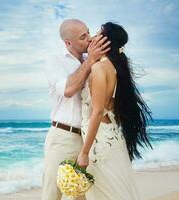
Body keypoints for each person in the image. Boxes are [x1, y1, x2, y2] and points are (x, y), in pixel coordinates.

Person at [76, 22, 153, 200]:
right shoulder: (114, 68)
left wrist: (85, 152)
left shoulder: (99, 68)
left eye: (96, 34)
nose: (92, 38)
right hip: (110, 136)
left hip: (98, 141)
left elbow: (97, 112)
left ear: (105, 42)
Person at [42, 19, 110, 200]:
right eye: (83, 37)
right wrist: (91, 62)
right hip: (63, 137)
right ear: (68, 42)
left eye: (88, 32)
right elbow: (68, 90)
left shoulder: (92, 59)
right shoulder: (54, 60)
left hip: (88, 139)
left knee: (81, 196)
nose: (89, 39)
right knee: (52, 194)